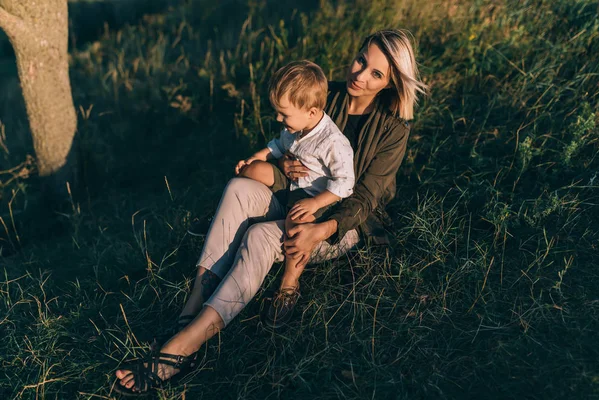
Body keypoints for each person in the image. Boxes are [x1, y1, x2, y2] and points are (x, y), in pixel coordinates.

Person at [114, 28, 428, 395]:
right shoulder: (329, 95)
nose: (360, 75)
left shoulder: (394, 129)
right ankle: (191, 309)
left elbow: (365, 200)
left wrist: (321, 229)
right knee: (238, 188)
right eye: (361, 60)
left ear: (391, 82)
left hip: (341, 222)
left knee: (260, 236)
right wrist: (287, 162)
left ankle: (185, 347)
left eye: (376, 74)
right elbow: (295, 141)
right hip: (295, 195)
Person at [235, 60, 354, 327]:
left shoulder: (334, 142)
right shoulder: (295, 127)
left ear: (312, 112)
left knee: (296, 224)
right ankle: (234, 212)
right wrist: (256, 158)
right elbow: (277, 147)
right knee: (253, 171)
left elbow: (346, 183)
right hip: (291, 185)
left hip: (315, 197)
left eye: (284, 114)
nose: (279, 119)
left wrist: (316, 203)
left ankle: (288, 285)